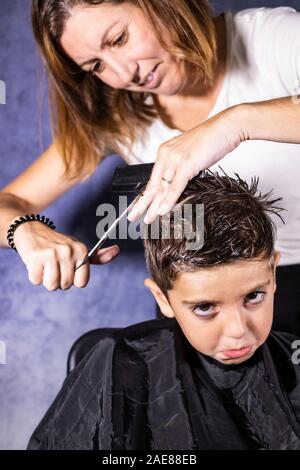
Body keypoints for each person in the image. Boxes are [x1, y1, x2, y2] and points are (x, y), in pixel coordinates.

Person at [0, 1, 300, 333]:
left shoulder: (274, 38)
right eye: (96, 65)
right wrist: (25, 230)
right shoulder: (120, 117)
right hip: (203, 306)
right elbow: (9, 202)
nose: (124, 74)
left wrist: (234, 124)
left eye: (119, 39)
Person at [27, 172, 300, 450]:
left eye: (254, 296)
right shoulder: (121, 361)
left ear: (273, 274)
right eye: (205, 307)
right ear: (163, 299)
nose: (238, 330)